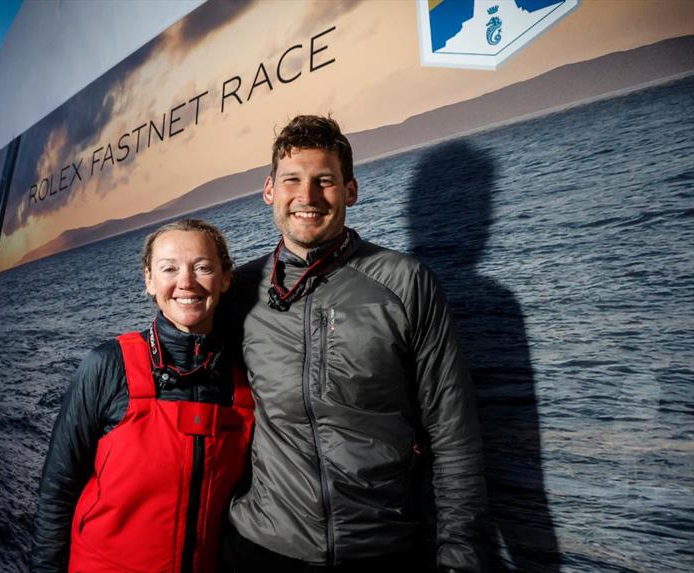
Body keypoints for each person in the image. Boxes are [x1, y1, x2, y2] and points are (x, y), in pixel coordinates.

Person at [224, 116, 487, 572]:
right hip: (261, 548)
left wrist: (460, 556)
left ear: (351, 191)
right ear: (269, 190)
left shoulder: (405, 283)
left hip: (383, 548)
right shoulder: (240, 291)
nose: (306, 197)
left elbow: (452, 430)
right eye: (292, 180)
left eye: (324, 180)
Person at [30, 219, 254, 573]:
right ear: (149, 280)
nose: (186, 282)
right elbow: (58, 489)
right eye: (169, 269)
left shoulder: (243, 380)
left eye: (203, 267)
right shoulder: (108, 365)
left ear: (226, 278)